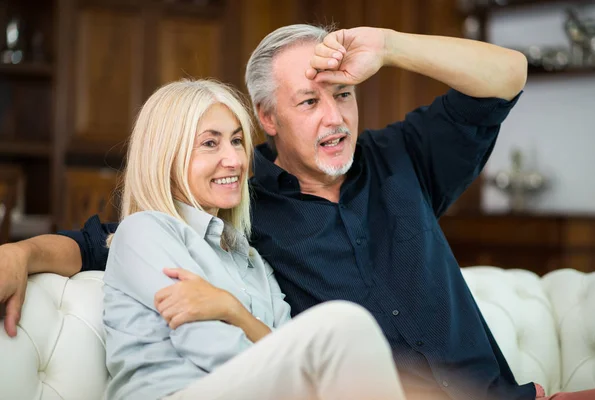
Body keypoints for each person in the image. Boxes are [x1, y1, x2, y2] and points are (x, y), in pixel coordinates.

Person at [1, 24, 595, 400]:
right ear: (267, 119)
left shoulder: (402, 156)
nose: (334, 118)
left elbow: (507, 76)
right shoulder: (236, 198)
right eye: (309, 101)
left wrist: (389, 46)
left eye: (343, 94)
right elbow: (99, 242)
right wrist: (21, 252)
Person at [101, 78, 405, 400]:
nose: (234, 160)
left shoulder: (249, 258)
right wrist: (298, 365)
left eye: (236, 141)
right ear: (166, 155)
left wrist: (234, 312)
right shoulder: (144, 232)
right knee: (346, 325)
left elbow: (284, 346)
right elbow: (211, 349)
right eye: (209, 143)